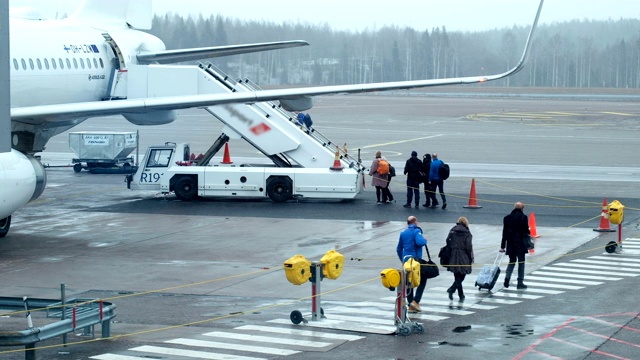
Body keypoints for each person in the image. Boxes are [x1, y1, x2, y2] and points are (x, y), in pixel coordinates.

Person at [396, 215, 428, 312]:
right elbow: (420, 242)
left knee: (409, 282)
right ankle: (416, 301)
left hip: (406, 260)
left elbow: (398, 248)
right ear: (415, 222)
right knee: (422, 279)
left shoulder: (403, 232)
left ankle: (410, 304)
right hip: (415, 260)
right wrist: (425, 239)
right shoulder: (416, 231)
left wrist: (403, 259)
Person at [500, 202, 530, 289]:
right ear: (522, 209)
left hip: (510, 243)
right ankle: (520, 282)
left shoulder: (507, 218)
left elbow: (504, 233)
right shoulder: (523, 217)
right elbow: (526, 231)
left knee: (512, 261)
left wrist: (502, 246)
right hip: (520, 244)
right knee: (521, 263)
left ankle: (507, 278)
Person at [445, 217, 474, 301]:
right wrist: (470, 256)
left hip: (453, 254)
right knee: (462, 274)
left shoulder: (453, 230)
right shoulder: (467, 232)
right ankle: (452, 289)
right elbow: (468, 246)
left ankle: (461, 294)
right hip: (463, 254)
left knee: (457, 275)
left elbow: (448, 240)